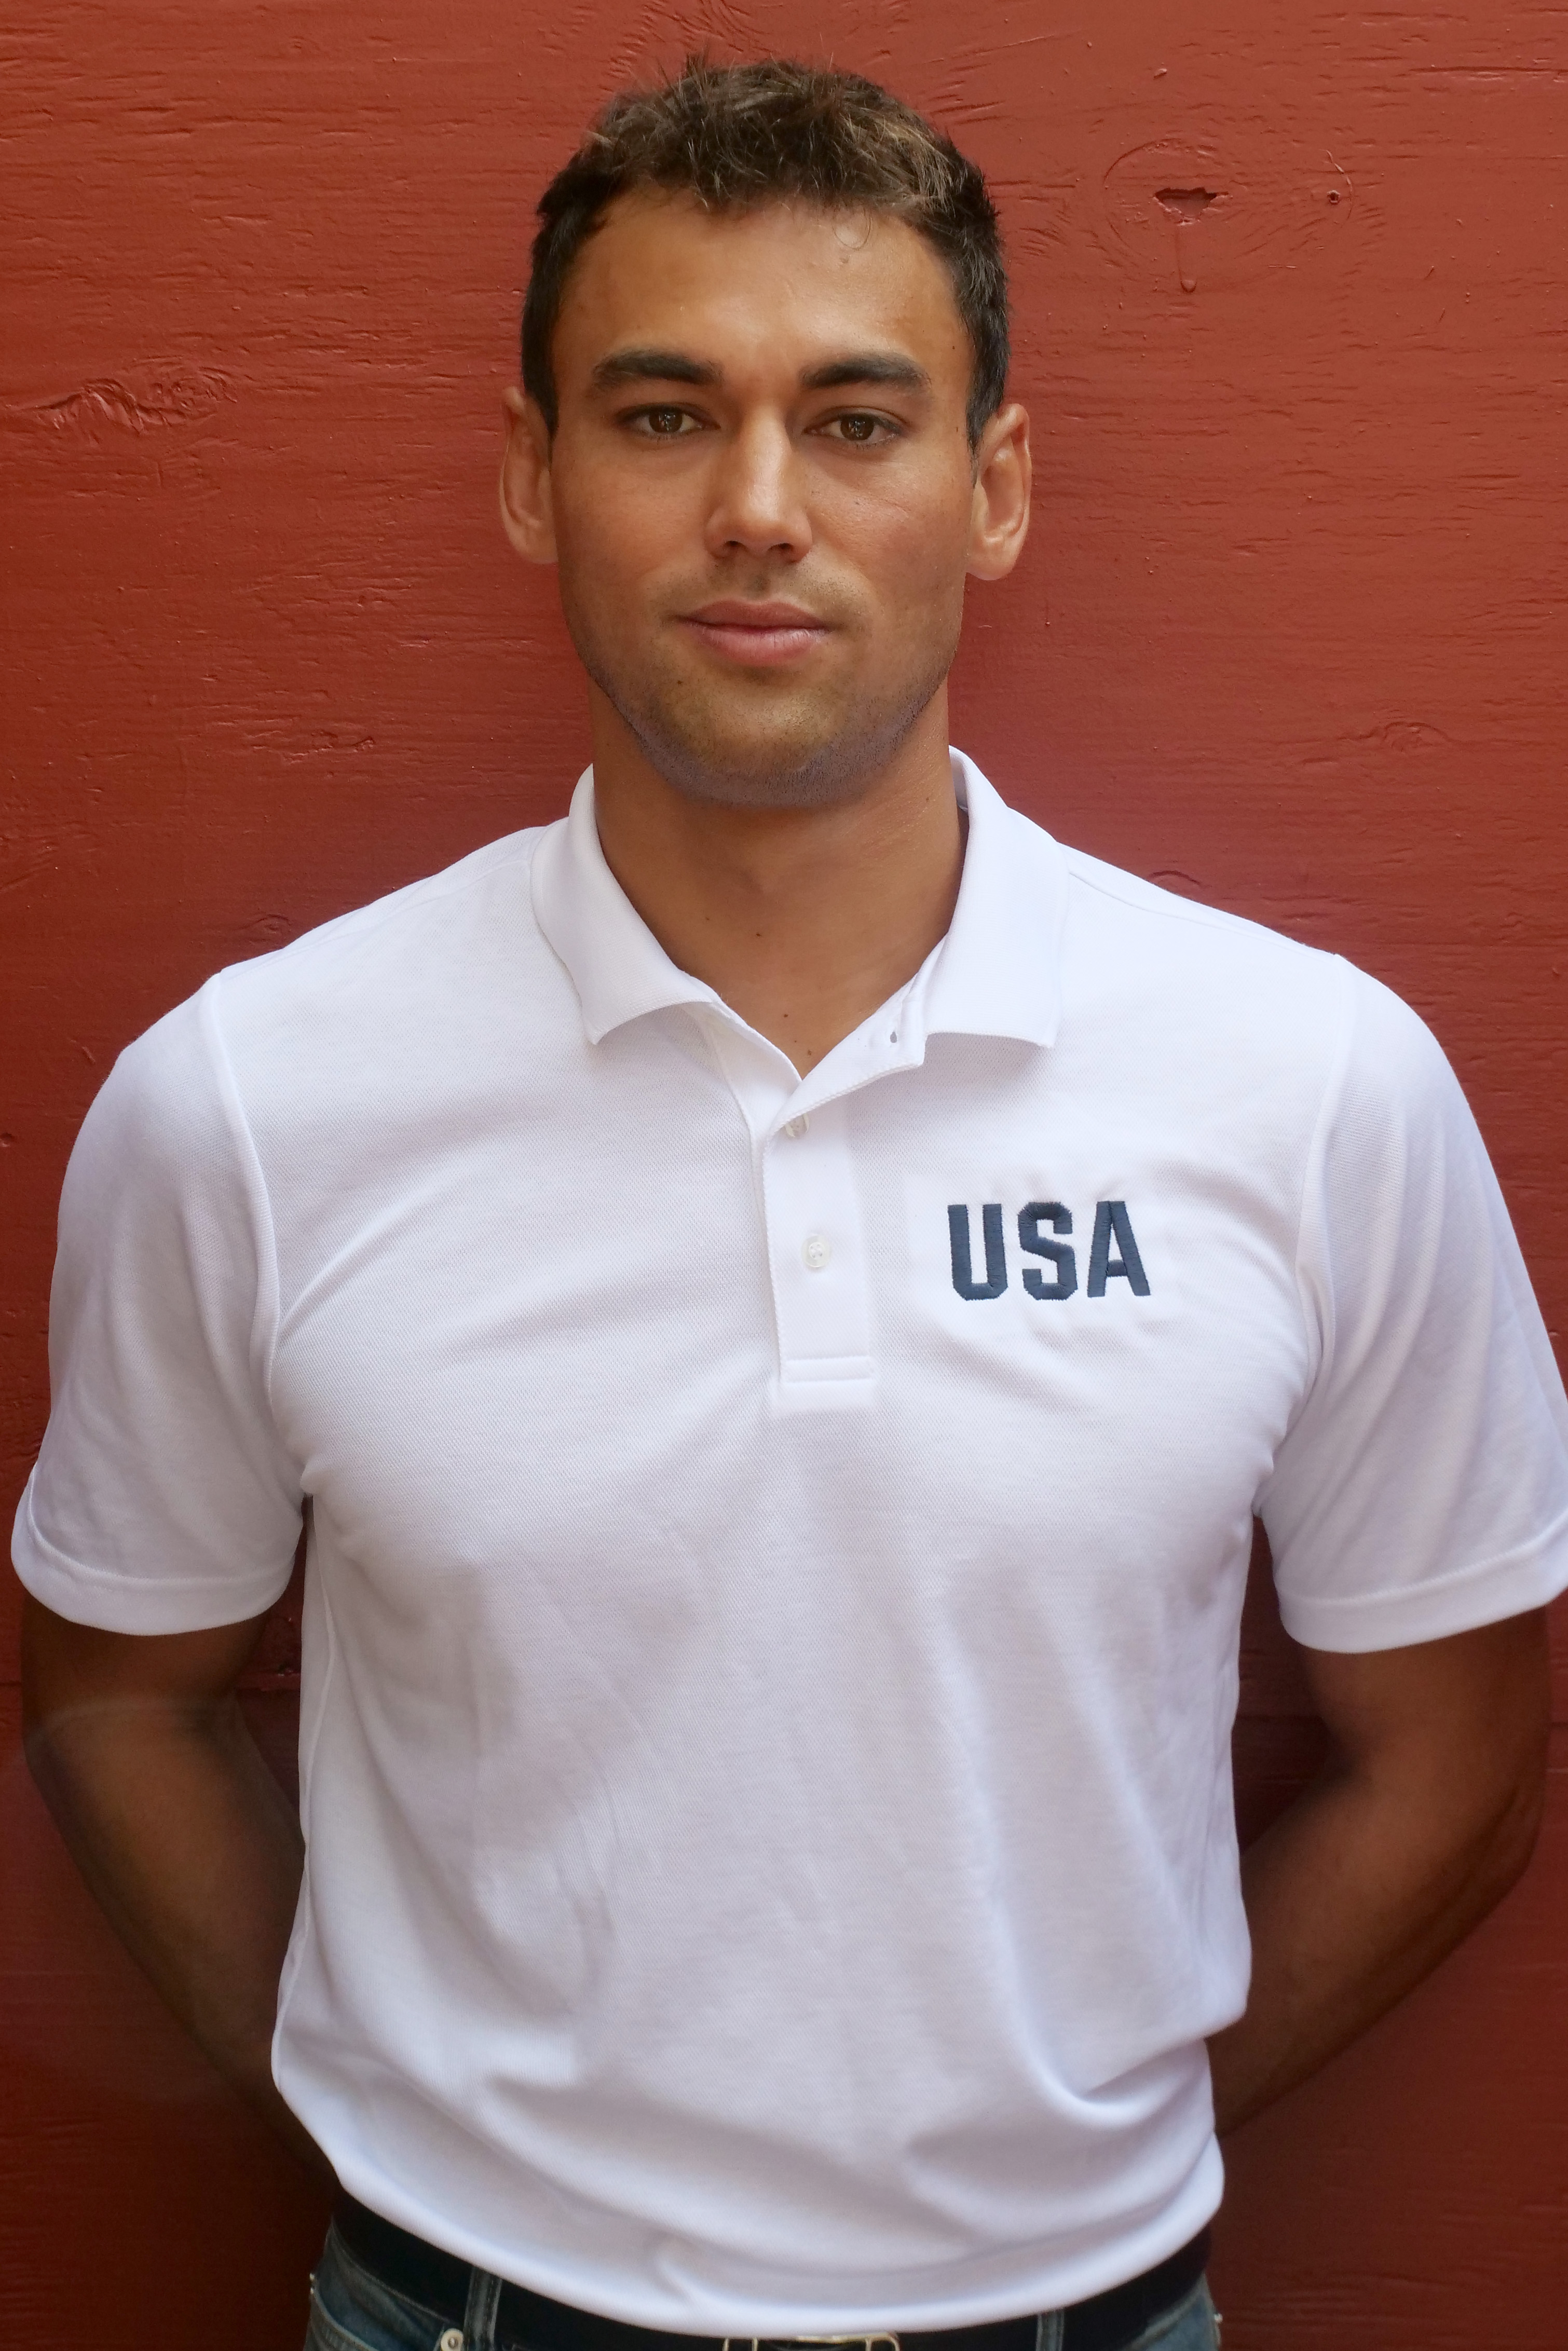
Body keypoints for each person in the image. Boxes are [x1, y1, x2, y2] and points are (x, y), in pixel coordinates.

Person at [16, 56, 1567, 2351]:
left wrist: (1078, 2157)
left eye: (857, 419)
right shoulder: (248, 1099)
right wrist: (418, 2138)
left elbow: (1458, 1747)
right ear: (537, 481)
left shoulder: (1308, 1082)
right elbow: (116, 1695)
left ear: (995, 484)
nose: (761, 507)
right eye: (663, 418)